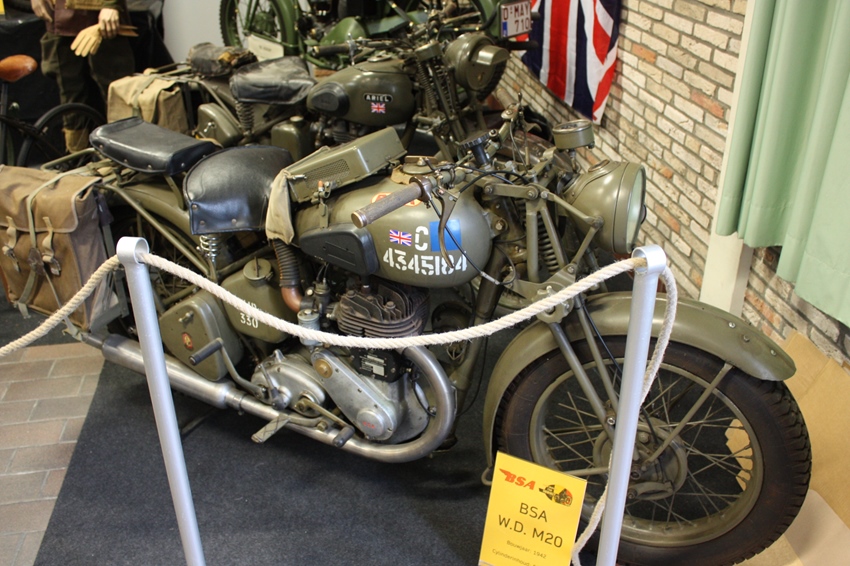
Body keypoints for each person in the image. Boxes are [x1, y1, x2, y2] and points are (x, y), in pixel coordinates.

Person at [30, 0, 134, 151]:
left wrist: (111, 5)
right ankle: (77, 156)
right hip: (59, 14)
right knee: (70, 94)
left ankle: (124, 154)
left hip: (101, 15)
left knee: (116, 92)